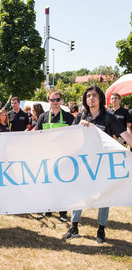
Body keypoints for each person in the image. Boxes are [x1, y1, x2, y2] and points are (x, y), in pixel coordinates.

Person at [62, 85, 132, 244]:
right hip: (83, 164)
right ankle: (74, 227)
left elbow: (125, 135)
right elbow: (70, 137)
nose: (91, 98)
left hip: (103, 165)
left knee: (104, 197)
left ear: (100, 98)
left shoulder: (108, 118)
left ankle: (101, 229)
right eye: (88, 96)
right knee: (78, 195)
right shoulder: (81, 116)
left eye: (94, 95)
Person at [36, 89, 75, 222]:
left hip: (64, 156)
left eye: (57, 99)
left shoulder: (69, 117)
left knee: (62, 184)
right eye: (52, 100)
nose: (55, 102)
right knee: (47, 184)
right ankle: (47, 208)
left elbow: (75, 136)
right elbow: (36, 136)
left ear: (61, 100)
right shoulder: (42, 117)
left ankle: (63, 212)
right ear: (48, 101)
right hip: (47, 157)